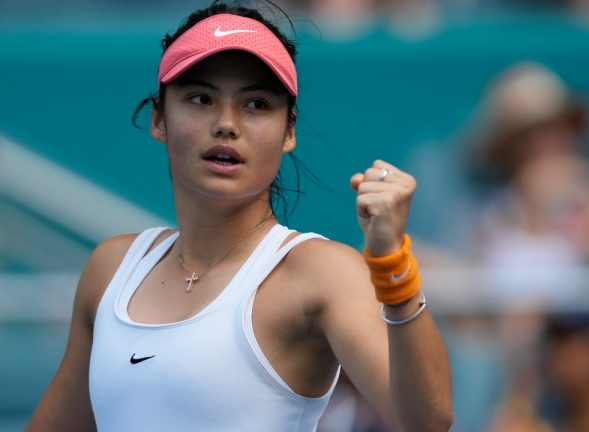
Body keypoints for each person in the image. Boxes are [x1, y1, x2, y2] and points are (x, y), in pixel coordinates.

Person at [26, 1, 453, 431]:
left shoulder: (320, 272)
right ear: (159, 118)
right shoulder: (112, 267)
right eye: (200, 98)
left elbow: (426, 423)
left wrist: (392, 263)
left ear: (289, 132)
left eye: (255, 104)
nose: (226, 123)